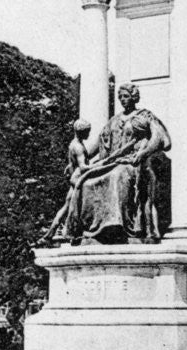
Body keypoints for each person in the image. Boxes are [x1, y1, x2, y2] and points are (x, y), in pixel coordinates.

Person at [63, 83, 171, 245]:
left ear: (134, 97)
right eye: (120, 97)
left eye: (126, 96)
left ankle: (119, 227)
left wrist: (143, 153)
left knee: (116, 176)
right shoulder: (114, 120)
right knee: (86, 181)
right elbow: (96, 147)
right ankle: (95, 229)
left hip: (134, 163)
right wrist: (77, 157)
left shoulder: (145, 116)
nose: (122, 100)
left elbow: (162, 139)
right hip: (114, 162)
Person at [38, 118, 91, 245]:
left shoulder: (73, 143)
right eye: (87, 132)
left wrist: (70, 166)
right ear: (81, 132)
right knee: (75, 207)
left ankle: (49, 235)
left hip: (74, 178)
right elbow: (83, 166)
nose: (89, 134)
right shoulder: (78, 146)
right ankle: (71, 233)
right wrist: (100, 164)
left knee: (66, 207)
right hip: (78, 180)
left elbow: (72, 162)